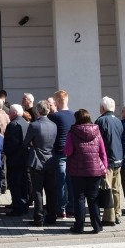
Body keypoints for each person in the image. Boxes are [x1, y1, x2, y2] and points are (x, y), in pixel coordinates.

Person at [65, 108, 108, 234]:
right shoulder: (97, 132)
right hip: (95, 170)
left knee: (79, 198)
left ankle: (79, 227)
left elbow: (68, 151)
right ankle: (97, 226)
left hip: (77, 170)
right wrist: (104, 168)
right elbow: (103, 152)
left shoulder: (72, 132)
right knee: (93, 198)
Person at [23, 100, 57, 227]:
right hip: (51, 160)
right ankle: (52, 216)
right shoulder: (54, 125)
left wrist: (32, 145)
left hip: (37, 160)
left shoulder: (34, 125)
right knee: (51, 191)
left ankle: (38, 218)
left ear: (37, 111)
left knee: (37, 191)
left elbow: (25, 142)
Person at [95, 96, 124, 226]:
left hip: (107, 159)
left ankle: (109, 217)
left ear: (102, 108)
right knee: (116, 188)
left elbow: (97, 142)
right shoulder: (118, 121)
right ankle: (118, 214)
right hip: (118, 158)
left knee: (107, 189)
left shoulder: (101, 121)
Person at [50, 90, 75, 218]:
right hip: (72, 153)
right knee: (71, 182)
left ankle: (61, 209)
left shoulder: (55, 116)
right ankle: (71, 208)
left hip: (59, 151)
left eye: (55, 101)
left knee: (60, 182)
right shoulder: (74, 115)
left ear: (59, 101)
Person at [3, 103, 30, 216]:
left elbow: (12, 143)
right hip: (25, 159)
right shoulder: (25, 122)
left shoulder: (14, 124)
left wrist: (6, 152)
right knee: (24, 184)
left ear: (14, 113)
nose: (8, 114)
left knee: (15, 185)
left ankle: (17, 208)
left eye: (9, 112)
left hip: (15, 160)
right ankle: (24, 206)